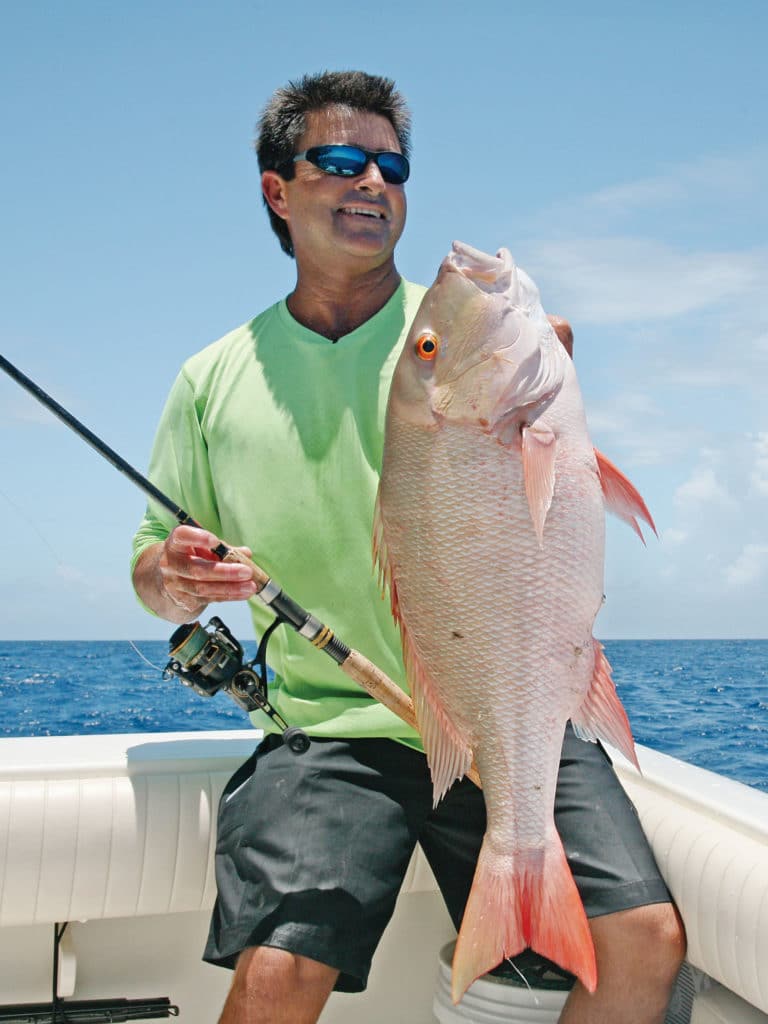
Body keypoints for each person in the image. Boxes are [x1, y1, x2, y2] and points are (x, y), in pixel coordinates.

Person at [132, 70, 686, 1024]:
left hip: (504, 712)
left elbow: (549, 513)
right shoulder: (210, 380)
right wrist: (174, 576)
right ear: (278, 189)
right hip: (336, 731)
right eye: (341, 162)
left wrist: (548, 395)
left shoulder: (470, 327)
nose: (373, 184)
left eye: (392, 166)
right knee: (277, 970)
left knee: (646, 938)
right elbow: (149, 567)